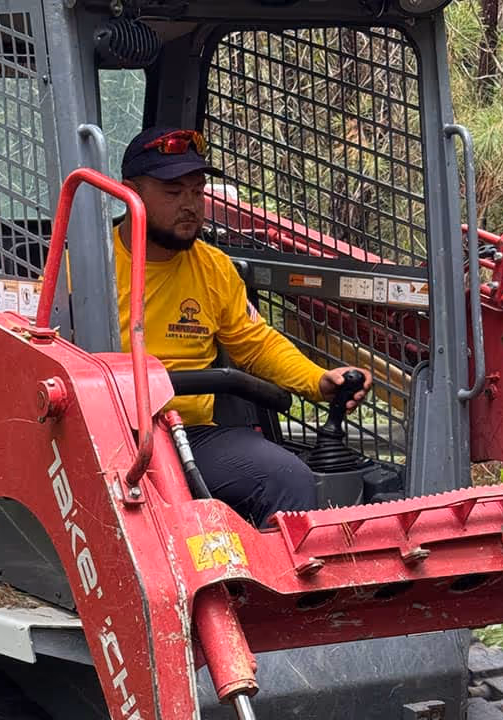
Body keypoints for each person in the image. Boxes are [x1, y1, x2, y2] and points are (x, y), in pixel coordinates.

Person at [116, 125, 371, 526]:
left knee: (289, 481)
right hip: (110, 434)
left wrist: (319, 380)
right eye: (173, 192)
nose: (190, 205)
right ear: (130, 193)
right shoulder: (87, 265)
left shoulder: (213, 267)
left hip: (191, 433)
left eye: (197, 191)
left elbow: (256, 343)